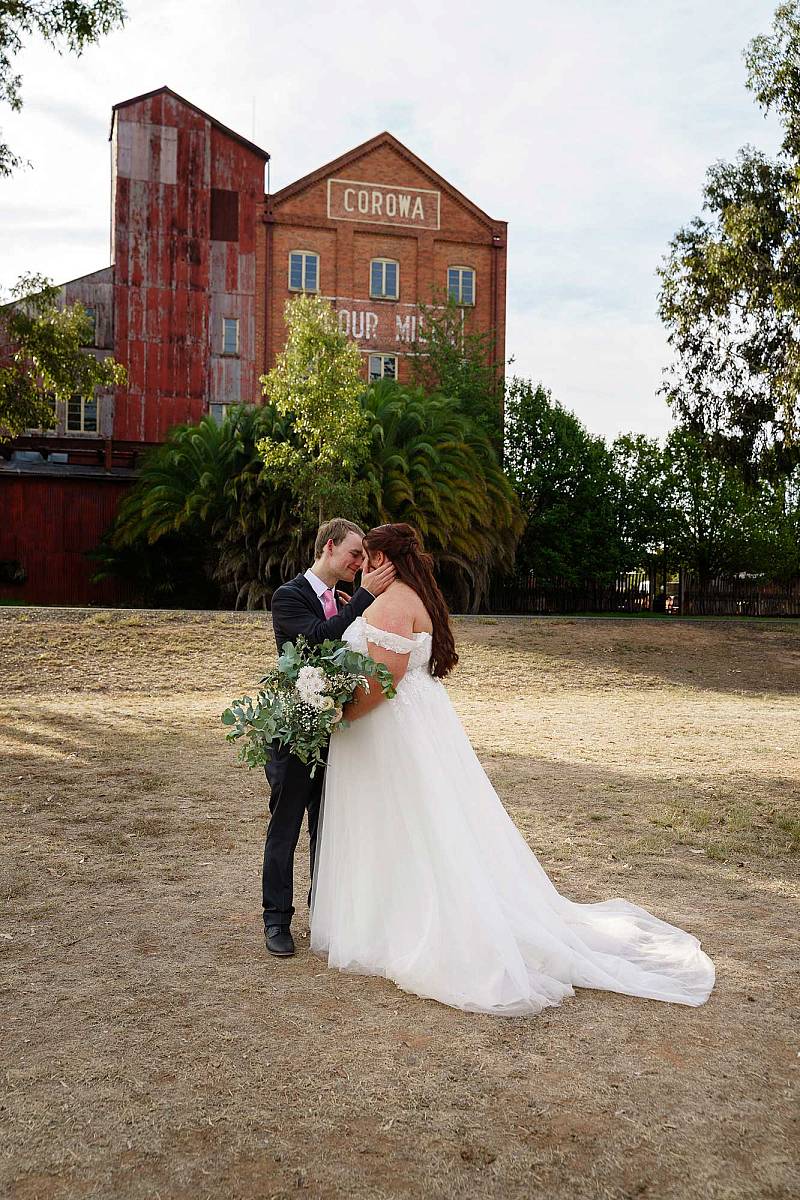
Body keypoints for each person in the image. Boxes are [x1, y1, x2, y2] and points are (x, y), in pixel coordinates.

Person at [310, 523, 715, 1016]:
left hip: (389, 729)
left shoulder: (394, 601)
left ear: (384, 560)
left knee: (408, 825)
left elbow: (383, 681)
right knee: (404, 825)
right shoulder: (411, 595)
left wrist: (339, 714)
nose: (362, 565)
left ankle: (407, 923)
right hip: (407, 727)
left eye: (368, 555)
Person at [262, 517, 395, 958]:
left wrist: (354, 607)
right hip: (294, 734)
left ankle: (324, 913)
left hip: (334, 732)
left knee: (328, 826)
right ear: (329, 548)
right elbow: (315, 643)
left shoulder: (341, 599)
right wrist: (363, 599)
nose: (360, 563)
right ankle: (277, 921)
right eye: (355, 554)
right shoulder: (289, 596)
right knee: (286, 829)